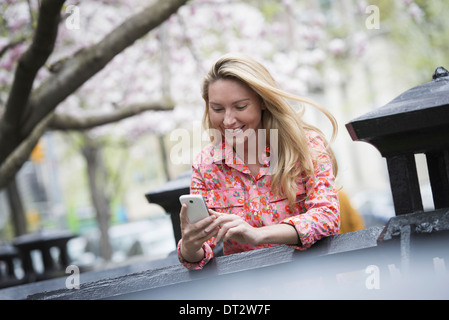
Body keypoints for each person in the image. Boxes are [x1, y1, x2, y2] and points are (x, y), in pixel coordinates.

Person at [177, 53, 340, 270]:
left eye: (240, 106)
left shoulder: (306, 146)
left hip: (313, 280)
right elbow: (200, 253)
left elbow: (327, 217)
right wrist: (189, 245)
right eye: (217, 109)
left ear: (262, 101)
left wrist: (257, 235)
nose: (227, 120)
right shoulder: (206, 165)